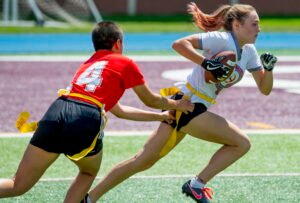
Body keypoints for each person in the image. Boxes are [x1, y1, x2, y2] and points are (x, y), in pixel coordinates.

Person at [83, 2, 277, 203]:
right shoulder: (221, 39)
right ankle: (196, 185)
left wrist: (268, 69)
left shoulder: (250, 52)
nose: (259, 28)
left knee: (142, 161)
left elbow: (265, 89)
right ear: (237, 25)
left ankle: (89, 199)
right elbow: (178, 44)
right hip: (188, 103)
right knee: (241, 143)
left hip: (188, 107)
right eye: (254, 24)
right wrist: (205, 62)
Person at [0, 21, 194, 202]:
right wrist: (177, 105)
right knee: (87, 172)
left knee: (18, 184)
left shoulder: (88, 65)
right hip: (85, 116)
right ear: (118, 43)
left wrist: (160, 116)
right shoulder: (124, 62)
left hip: (57, 109)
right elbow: (150, 99)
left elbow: (120, 111)